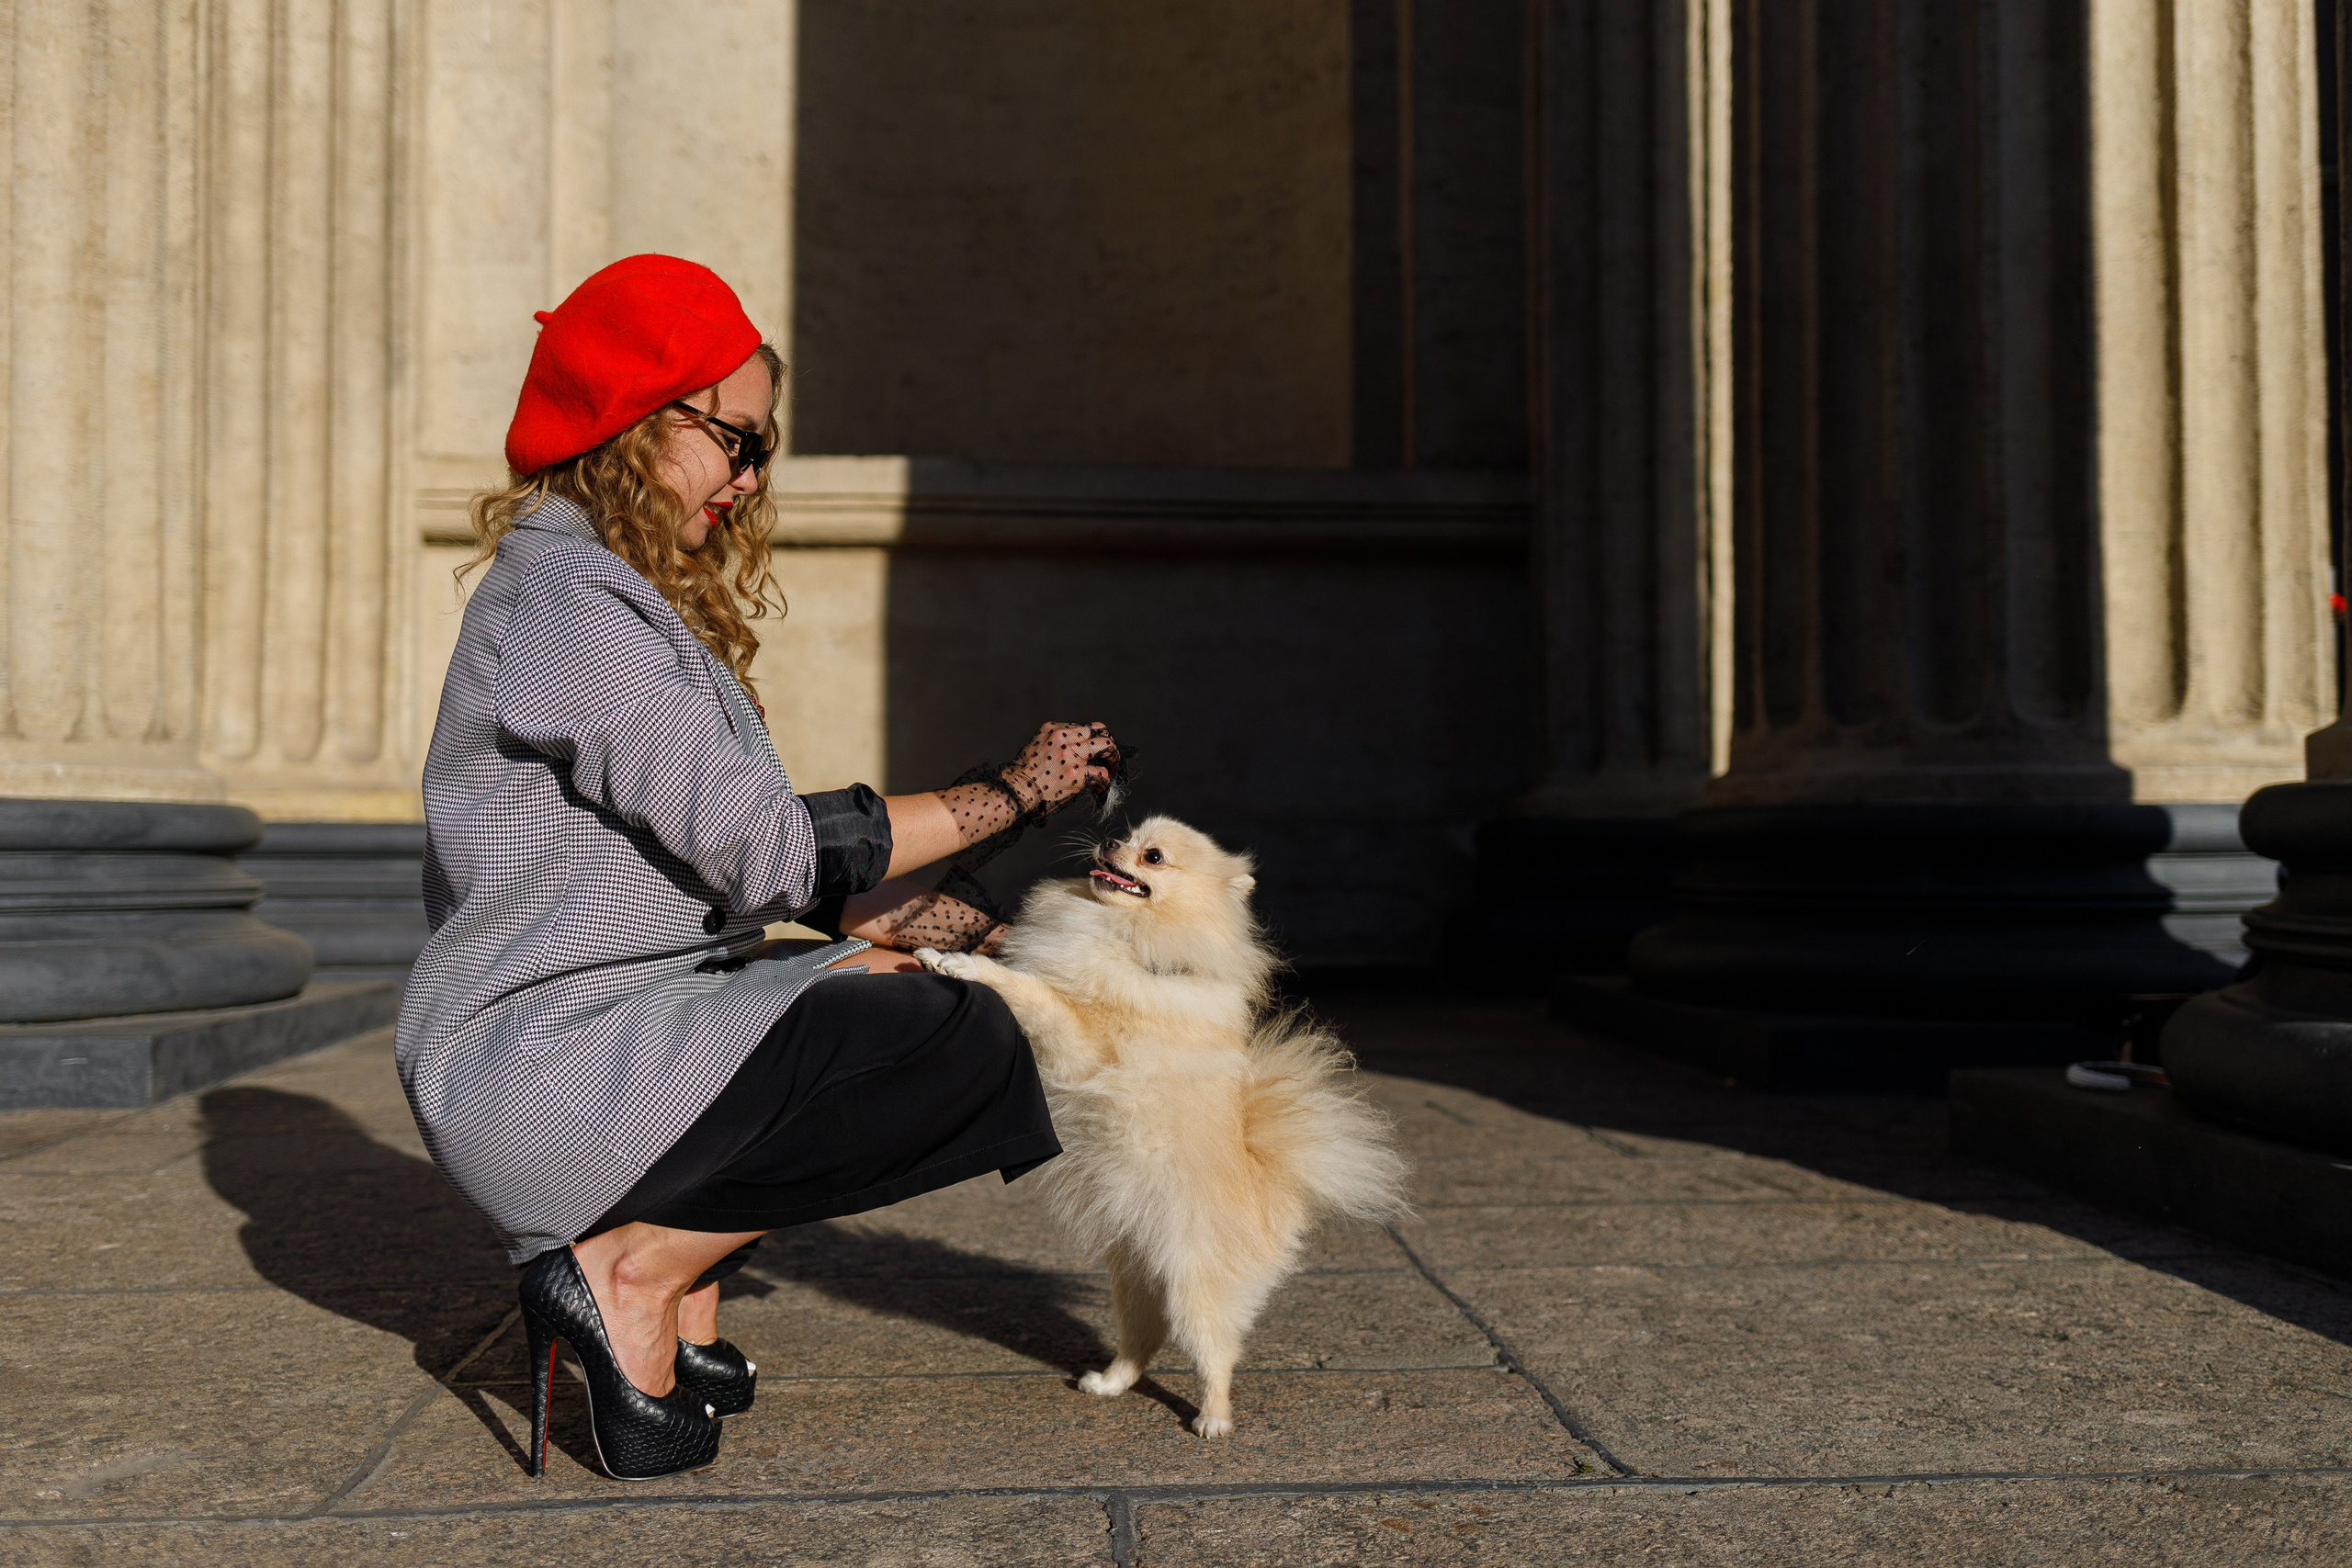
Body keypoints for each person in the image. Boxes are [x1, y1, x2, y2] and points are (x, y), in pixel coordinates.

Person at [395, 254, 1117, 1480]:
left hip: (602, 1032)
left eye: (761, 446)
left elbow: (743, 870)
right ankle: (626, 1274)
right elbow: (767, 845)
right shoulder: (571, 606)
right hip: (538, 1065)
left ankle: (675, 1302)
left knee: (928, 987)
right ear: (643, 421)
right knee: (948, 1041)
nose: (749, 474)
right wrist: (1011, 792)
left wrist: (953, 922)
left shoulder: (611, 595)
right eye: (738, 439)